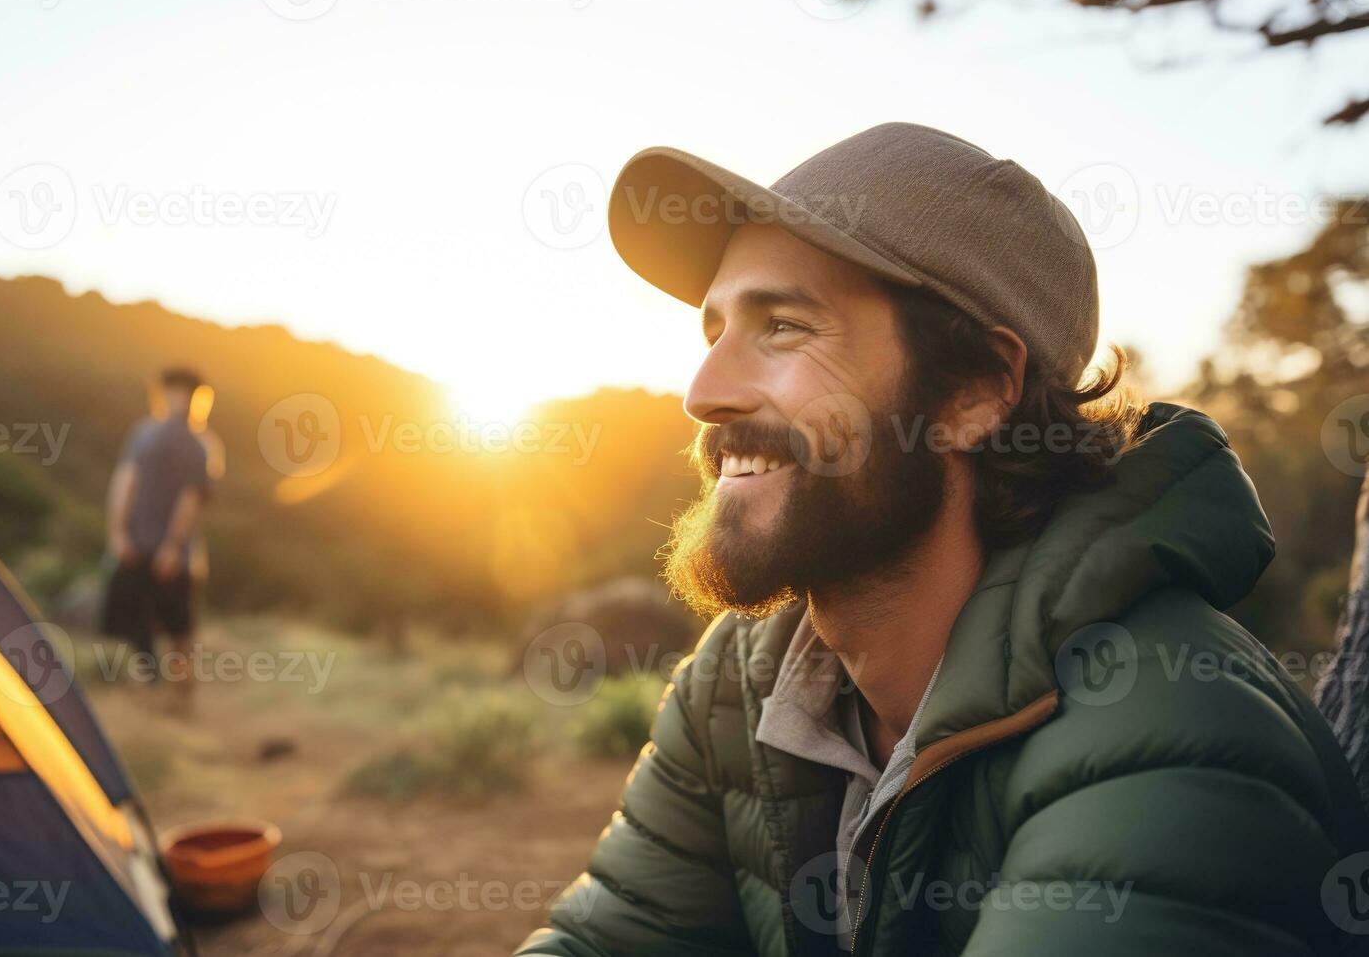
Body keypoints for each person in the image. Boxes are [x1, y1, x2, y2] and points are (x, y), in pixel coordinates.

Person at [517, 124, 1369, 956]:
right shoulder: (740, 680)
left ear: (976, 391)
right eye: (715, 333)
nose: (704, 393)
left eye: (783, 327)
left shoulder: (1169, 732)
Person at [101, 366, 220, 707]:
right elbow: (125, 482)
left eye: (186, 393)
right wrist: (117, 534)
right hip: (134, 547)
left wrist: (173, 546)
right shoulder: (143, 433)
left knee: (180, 633)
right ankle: (146, 697)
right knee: (130, 623)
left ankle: (183, 702)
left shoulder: (201, 444)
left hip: (176, 556)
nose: (178, 398)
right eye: (173, 390)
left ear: (199, 400)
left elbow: (191, 497)